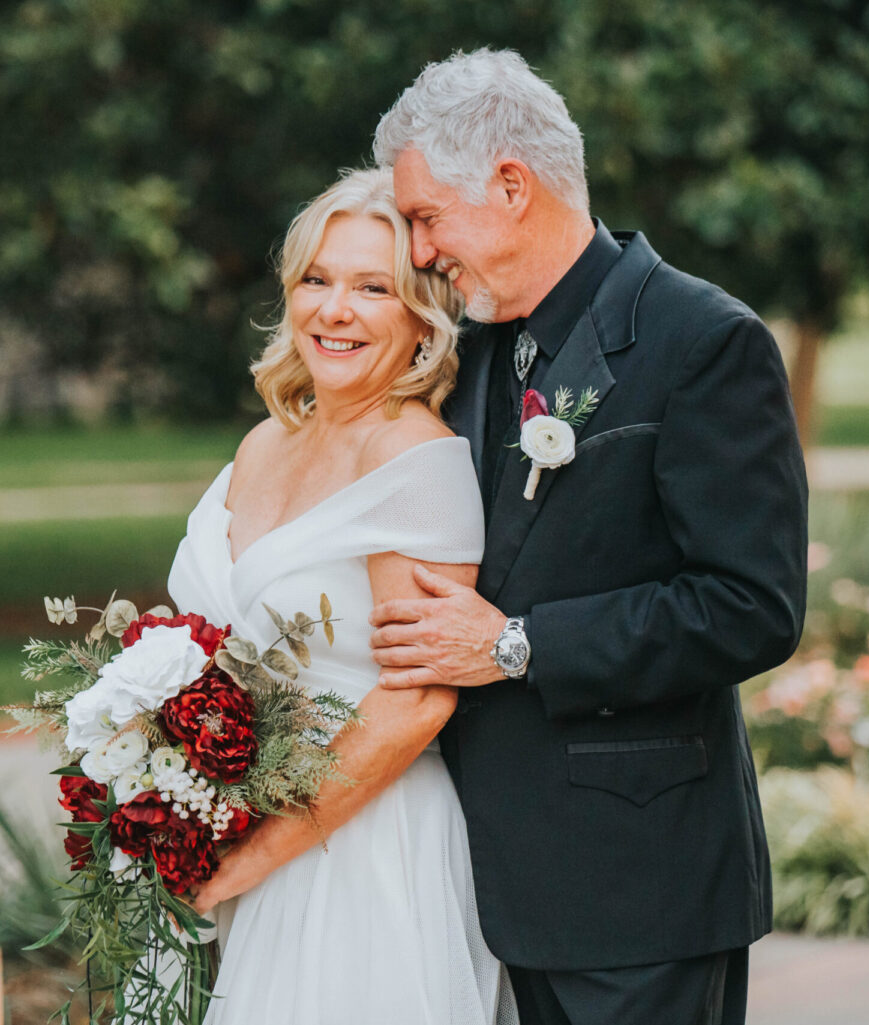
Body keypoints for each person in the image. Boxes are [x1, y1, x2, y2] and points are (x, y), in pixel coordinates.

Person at [367, 50, 809, 1025]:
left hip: (640, 888)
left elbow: (751, 606)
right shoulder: (470, 351)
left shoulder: (703, 341)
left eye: (427, 217)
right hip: (496, 889)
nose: (421, 250)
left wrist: (516, 644)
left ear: (511, 186)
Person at [169, 167, 517, 1024]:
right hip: (241, 841)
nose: (335, 309)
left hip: (363, 853)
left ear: (421, 316)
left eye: (373, 287)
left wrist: (248, 858)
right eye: (316, 281)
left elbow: (417, 699)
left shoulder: (415, 459)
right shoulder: (266, 441)